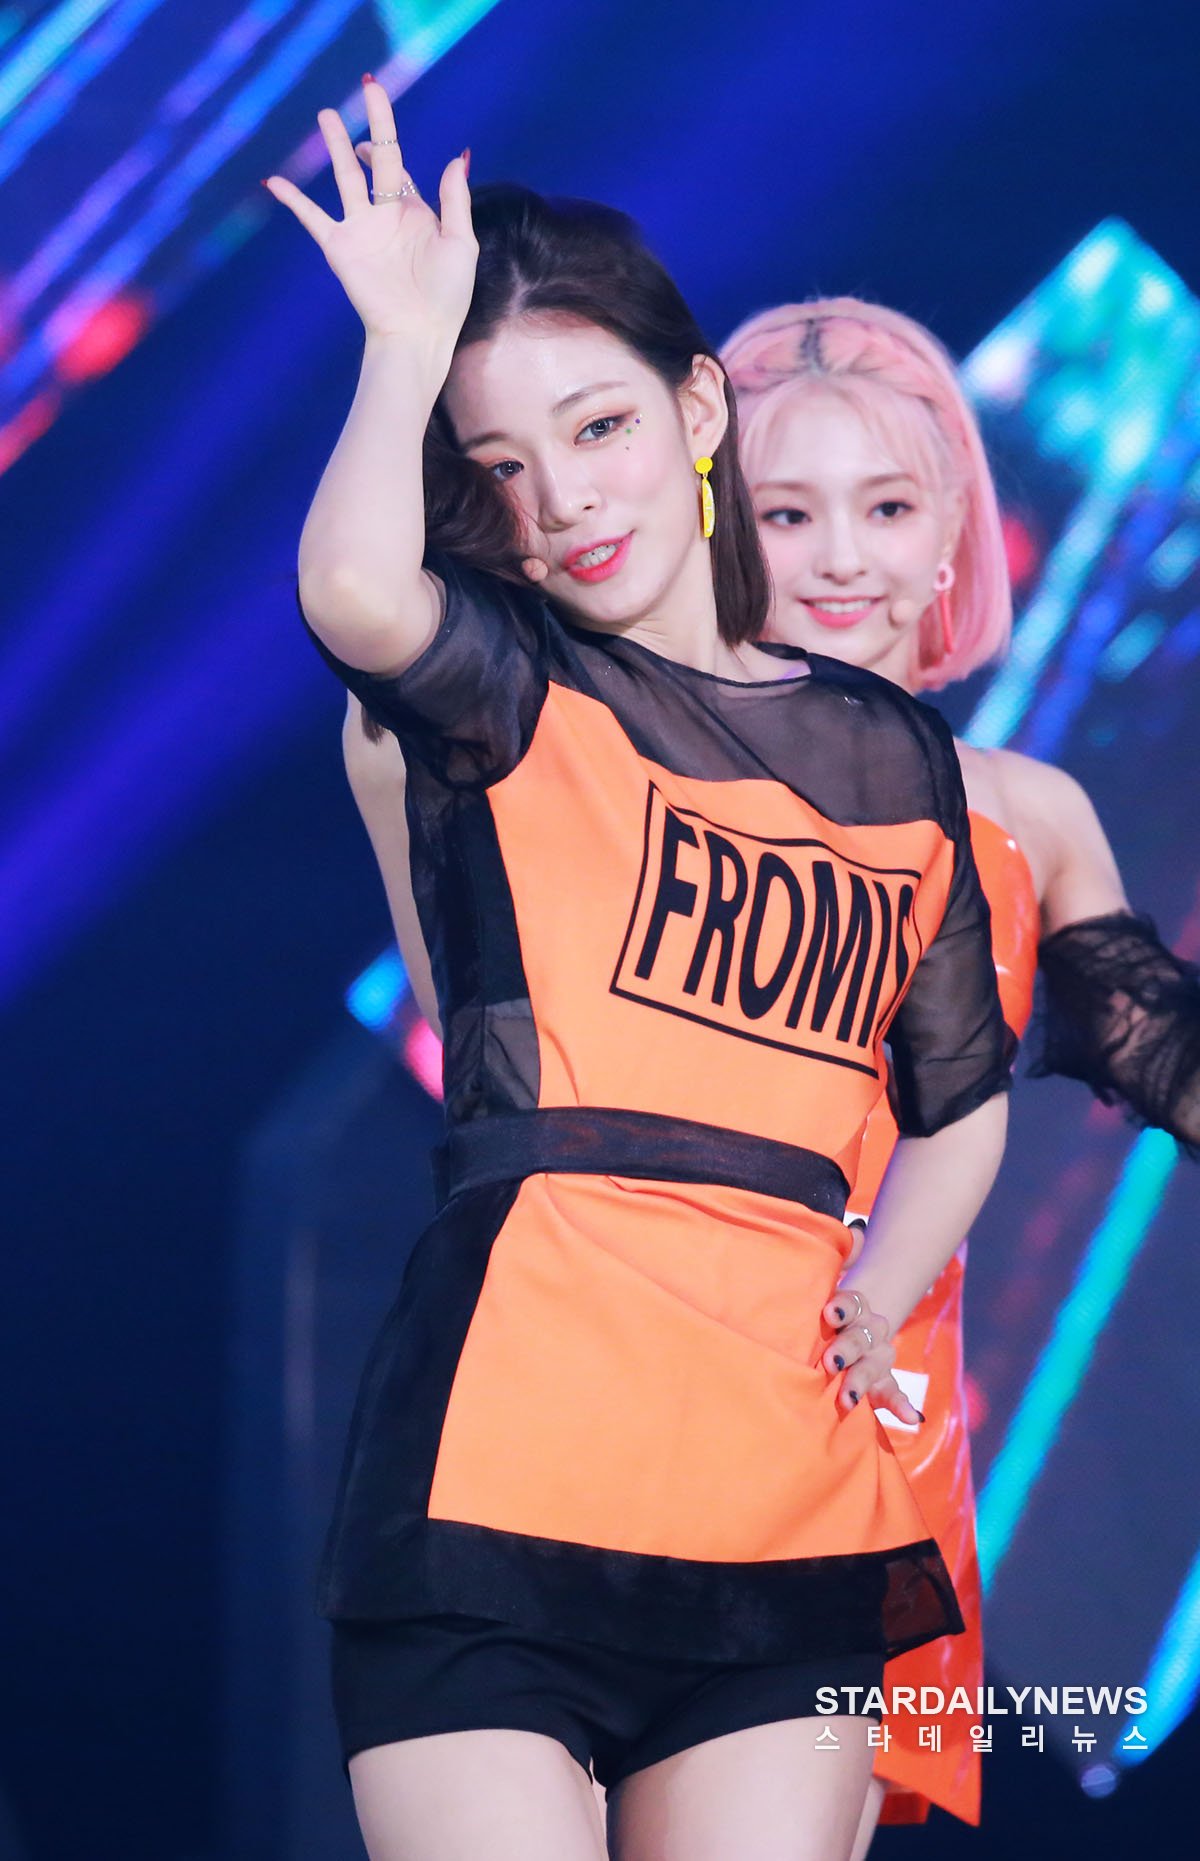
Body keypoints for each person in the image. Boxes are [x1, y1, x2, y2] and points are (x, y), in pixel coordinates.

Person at [265, 81, 1013, 1861]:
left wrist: (875, 1291)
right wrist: (400, 347)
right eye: (502, 466)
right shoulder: (505, 695)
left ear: (696, 409)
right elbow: (356, 590)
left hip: (786, 1508)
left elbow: (959, 1093)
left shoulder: (894, 759)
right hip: (499, 1480)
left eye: (599, 424)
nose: (565, 497)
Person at [719, 295, 1200, 1852]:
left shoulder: (1025, 816)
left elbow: (1157, 1048)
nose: (843, 559)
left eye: (887, 508)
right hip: (627, 1392)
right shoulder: (621, 769)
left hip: (867, 1449)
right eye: (789, 513)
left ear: (951, 543)